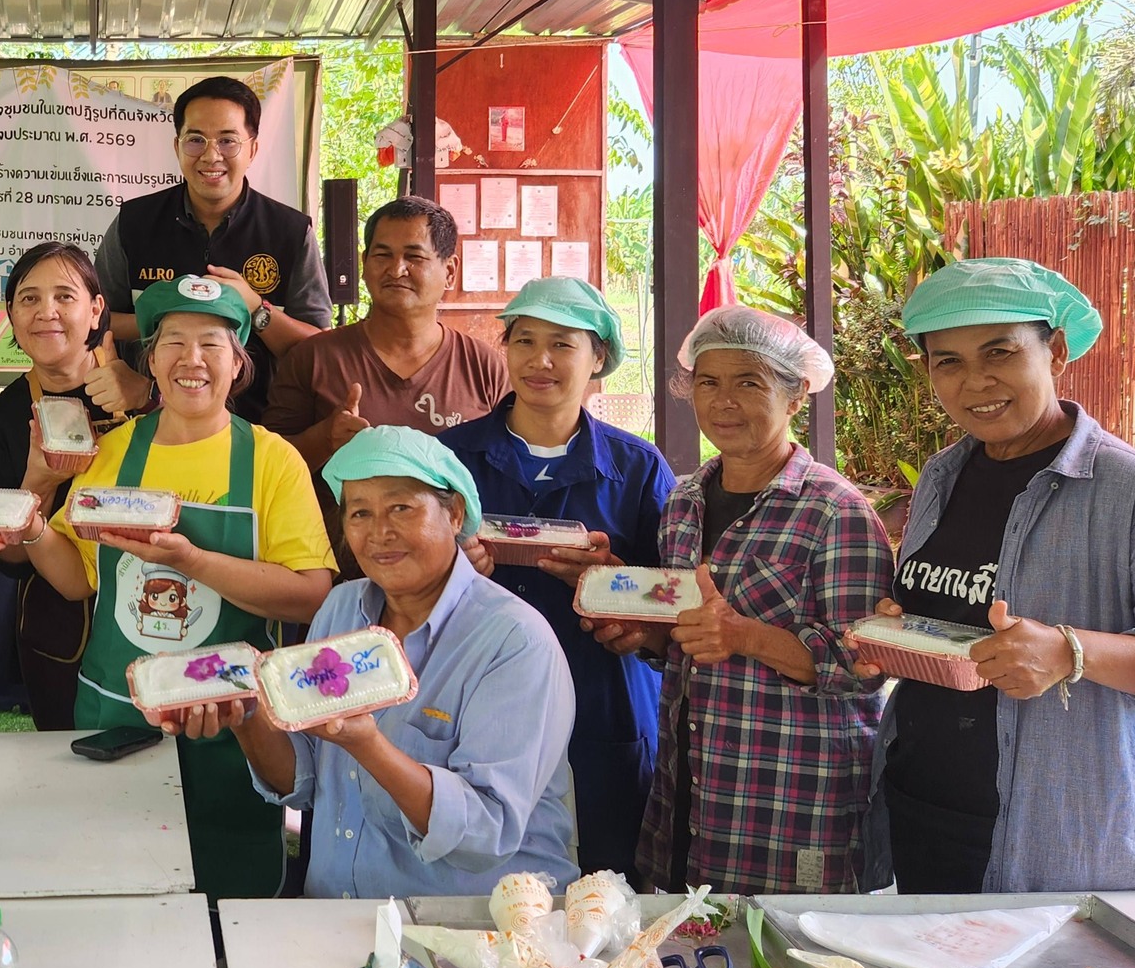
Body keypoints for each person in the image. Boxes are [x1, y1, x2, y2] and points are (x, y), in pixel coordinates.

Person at [6, 275, 336, 897]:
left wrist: (192, 561)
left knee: (231, 908)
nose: (192, 360)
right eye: (173, 343)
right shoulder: (112, 452)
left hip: (232, 726)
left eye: (212, 344)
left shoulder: (271, 460)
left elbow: (310, 592)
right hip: (117, 715)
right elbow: (79, 581)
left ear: (239, 364)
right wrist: (27, 513)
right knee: (116, 897)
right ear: (150, 361)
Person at [170, 426, 575, 898]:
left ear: (454, 512)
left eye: (401, 508)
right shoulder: (342, 609)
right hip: (336, 913)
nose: (380, 532)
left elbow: (485, 832)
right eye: (359, 513)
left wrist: (366, 743)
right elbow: (302, 782)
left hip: (473, 936)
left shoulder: (513, 641)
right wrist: (246, 717)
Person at [860, 259, 1135, 893]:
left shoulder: (1120, 488)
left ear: (1056, 350)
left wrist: (1070, 652)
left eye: (1000, 351)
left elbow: (1062, 651)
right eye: (946, 361)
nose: (975, 380)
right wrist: (897, 635)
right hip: (924, 803)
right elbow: (947, 614)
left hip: (1053, 832)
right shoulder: (942, 475)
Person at [609, 306, 891, 893]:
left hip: (789, 800)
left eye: (749, 383)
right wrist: (646, 628)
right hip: (693, 789)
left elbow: (862, 666)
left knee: (788, 967)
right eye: (708, 382)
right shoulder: (684, 500)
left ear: (794, 399)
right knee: (695, 957)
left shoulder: (834, 511)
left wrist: (742, 636)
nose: (724, 401)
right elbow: (687, 633)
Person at [438, 277, 673, 881]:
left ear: (598, 358)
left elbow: (676, 605)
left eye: (562, 345)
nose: (540, 361)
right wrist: (450, 573)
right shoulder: (447, 459)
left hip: (602, 703)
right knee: (476, 873)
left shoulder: (639, 469)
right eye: (524, 341)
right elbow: (396, 579)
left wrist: (624, 598)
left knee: (604, 887)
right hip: (470, 697)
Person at [267, 195, 510, 564]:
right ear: (364, 265)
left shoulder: (484, 368)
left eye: (414, 256)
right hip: (337, 583)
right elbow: (269, 470)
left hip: (451, 590)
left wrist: (485, 547)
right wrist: (325, 438)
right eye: (382, 255)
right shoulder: (314, 358)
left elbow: (509, 477)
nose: (396, 269)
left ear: (449, 270)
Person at [0, 243, 151, 729]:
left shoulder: (144, 391)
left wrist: (146, 395)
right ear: (11, 315)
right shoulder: (5, 418)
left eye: (64, 297)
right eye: (28, 299)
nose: (46, 312)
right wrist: (39, 483)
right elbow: (6, 560)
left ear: (96, 311)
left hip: (156, 610)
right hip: (58, 633)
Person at [95, 75, 332, 422]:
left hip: (263, 428)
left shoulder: (290, 232)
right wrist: (166, 315)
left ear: (252, 149)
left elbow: (317, 350)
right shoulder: (134, 223)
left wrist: (256, 309)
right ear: (177, 147)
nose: (211, 155)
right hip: (149, 421)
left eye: (227, 141)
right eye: (196, 140)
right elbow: (95, 320)